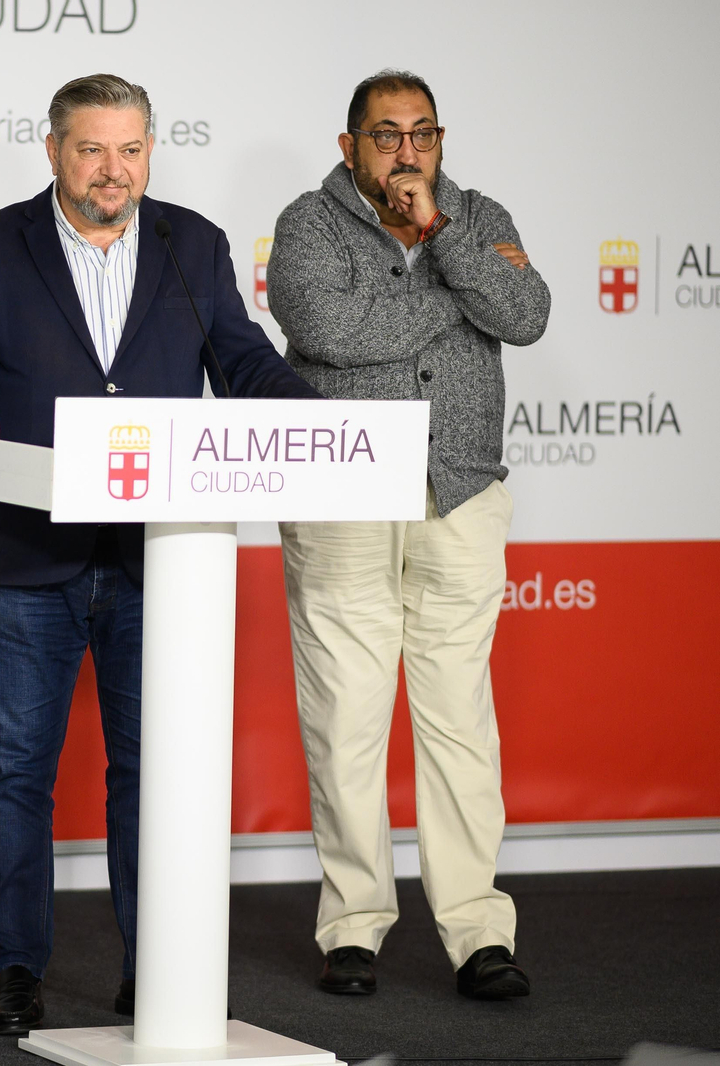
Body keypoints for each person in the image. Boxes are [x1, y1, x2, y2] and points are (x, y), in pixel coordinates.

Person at [0, 73, 319, 1036]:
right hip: (30, 557)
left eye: (131, 150)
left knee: (152, 773)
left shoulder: (192, 242)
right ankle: (16, 971)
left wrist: (314, 419)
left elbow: (243, 360)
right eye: (92, 149)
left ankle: (156, 969)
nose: (113, 170)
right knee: (16, 773)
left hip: (160, 562)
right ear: (53, 150)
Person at [266, 69, 551, 1000]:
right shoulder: (309, 223)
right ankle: (353, 926)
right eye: (385, 134)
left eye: (422, 133)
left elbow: (526, 314)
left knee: (459, 720)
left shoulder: (476, 214)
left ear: (440, 140)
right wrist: (460, 290)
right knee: (346, 718)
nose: (406, 151)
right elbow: (328, 330)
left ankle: (478, 933)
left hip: (459, 493)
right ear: (350, 146)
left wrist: (444, 237)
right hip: (342, 493)